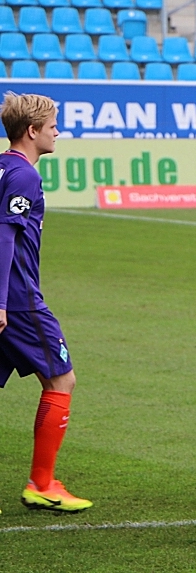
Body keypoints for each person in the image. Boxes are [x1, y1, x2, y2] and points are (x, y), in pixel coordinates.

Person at [0, 92, 91, 515]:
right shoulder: (24, 176)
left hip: (11, 296)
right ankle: (41, 483)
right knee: (61, 380)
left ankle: (43, 481)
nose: (58, 131)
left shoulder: (2, 168)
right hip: (17, 300)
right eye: (52, 125)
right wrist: (2, 303)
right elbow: (6, 237)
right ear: (32, 131)